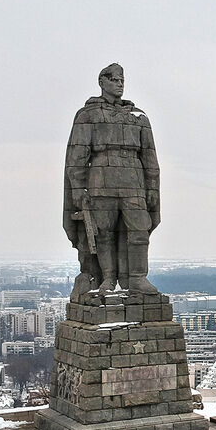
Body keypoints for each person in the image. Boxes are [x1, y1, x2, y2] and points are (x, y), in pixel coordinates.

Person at [63, 62, 161, 298]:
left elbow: (149, 156)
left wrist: (152, 188)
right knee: (102, 232)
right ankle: (107, 277)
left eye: (122, 80)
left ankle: (138, 278)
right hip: (100, 179)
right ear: (102, 82)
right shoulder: (89, 115)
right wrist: (78, 187)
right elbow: (78, 155)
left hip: (134, 180)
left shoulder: (138, 118)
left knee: (139, 229)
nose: (119, 84)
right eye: (114, 80)